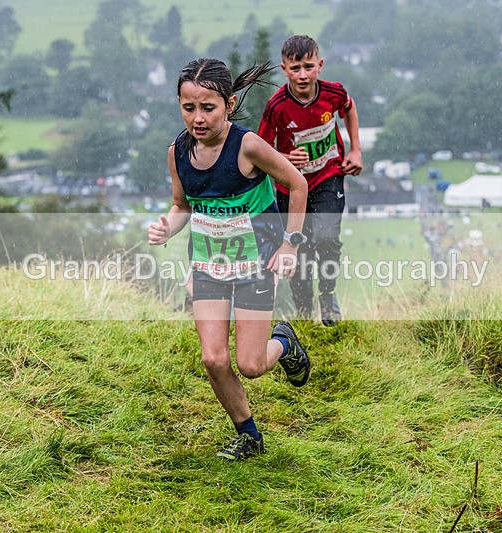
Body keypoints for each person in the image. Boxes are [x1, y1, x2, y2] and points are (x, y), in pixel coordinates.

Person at [148, 58, 311, 461]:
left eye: (208, 108)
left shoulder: (248, 146)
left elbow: (297, 183)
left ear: (229, 104)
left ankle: (283, 342)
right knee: (213, 359)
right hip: (208, 264)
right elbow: (181, 205)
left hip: (256, 263)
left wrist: (290, 244)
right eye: (188, 108)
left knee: (251, 365)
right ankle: (249, 436)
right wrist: (168, 228)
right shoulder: (177, 153)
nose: (198, 118)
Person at [257, 34, 363, 326]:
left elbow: (349, 108)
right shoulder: (277, 106)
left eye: (308, 67)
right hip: (291, 189)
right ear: (284, 69)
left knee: (327, 238)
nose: (302, 75)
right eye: (295, 68)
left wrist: (355, 149)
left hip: (328, 177)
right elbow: (261, 150)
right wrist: (285, 159)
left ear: (320, 65)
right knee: (298, 251)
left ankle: (327, 296)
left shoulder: (333, 93)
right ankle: (303, 313)